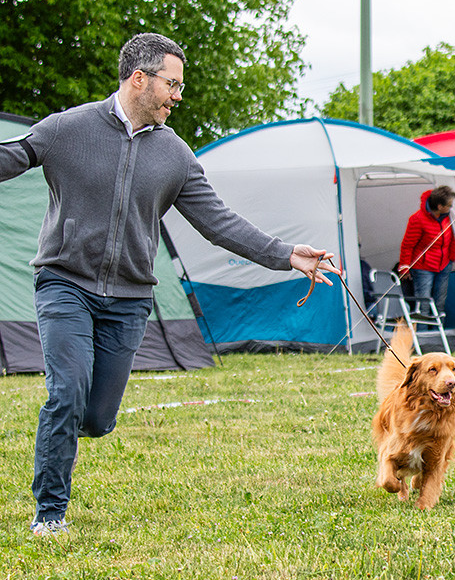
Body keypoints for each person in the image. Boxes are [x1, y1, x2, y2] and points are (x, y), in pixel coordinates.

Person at [0, 33, 341, 537]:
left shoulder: (175, 155)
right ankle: (49, 514)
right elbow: (13, 156)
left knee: (96, 418)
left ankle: (76, 434)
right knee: (67, 392)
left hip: (130, 301)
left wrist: (285, 254)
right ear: (139, 78)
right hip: (64, 284)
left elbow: (218, 222)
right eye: (172, 83)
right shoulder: (68, 128)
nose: (177, 95)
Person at [398, 185, 455, 316]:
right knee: (423, 305)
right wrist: (404, 267)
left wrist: (452, 257)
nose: (451, 208)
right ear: (440, 207)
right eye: (449, 205)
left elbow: (453, 237)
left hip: (444, 265)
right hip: (423, 268)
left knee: (440, 304)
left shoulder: (449, 216)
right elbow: (407, 245)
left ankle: (439, 335)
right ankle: (423, 335)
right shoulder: (417, 219)